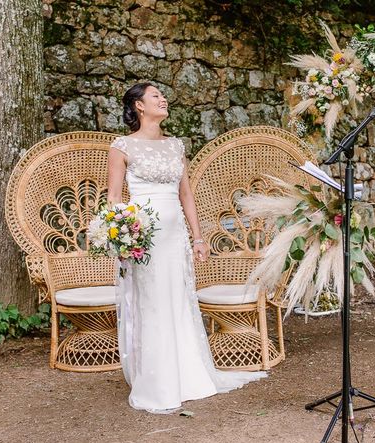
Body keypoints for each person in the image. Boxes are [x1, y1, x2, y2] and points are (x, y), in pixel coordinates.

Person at [107, 82, 265, 414]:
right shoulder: (121, 147)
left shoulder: (176, 145)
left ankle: (187, 375)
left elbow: (186, 196)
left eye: (163, 95)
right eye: (155, 96)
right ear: (138, 106)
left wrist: (197, 237)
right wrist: (121, 238)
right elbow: (114, 199)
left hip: (174, 235)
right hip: (142, 238)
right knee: (151, 303)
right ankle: (156, 382)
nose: (163, 99)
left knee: (178, 300)